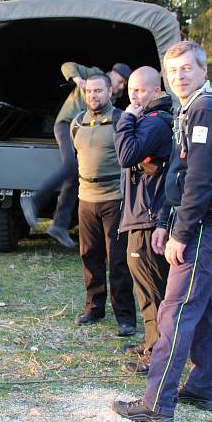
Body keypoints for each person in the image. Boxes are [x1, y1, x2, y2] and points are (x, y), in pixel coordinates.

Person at [113, 40, 212, 422]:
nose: (180, 75)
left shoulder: (206, 110)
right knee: (205, 308)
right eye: (174, 69)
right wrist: (165, 221)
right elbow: (178, 177)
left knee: (175, 309)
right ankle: (202, 387)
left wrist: (180, 232)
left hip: (201, 226)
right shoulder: (191, 109)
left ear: (203, 70)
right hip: (197, 222)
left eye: (187, 68)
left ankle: (157, 402)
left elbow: (199, 181)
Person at [21, 61, 132, 248]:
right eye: (121, 81)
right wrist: (78, 79)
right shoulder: (94, 74)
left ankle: (59, 226)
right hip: (66, 124)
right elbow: (66, 65)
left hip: (83, 129)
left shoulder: (110, 97)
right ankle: (33, 201)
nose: (121, 87)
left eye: (123, 85)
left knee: (75, 175)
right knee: (71, 167)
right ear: (112, 74)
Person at [113, 66, 174, 374]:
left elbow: (125, 154)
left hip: (149, 219)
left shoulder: (154, 123)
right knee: (145, 286)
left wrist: (126, 118)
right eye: (132, 90)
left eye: (141, 90)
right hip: (142, 216)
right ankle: (152, 342)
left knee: (152, 288)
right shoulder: (149, 121)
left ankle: (158, 356)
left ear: (157, 89)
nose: (135, 96)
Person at [71, 73, 136, 335]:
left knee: (118, 261)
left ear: (110, 92)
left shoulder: (122, 119)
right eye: (89, 91)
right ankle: (94, 308)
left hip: (115, 201)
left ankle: (125, 317)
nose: (93, 96)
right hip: (85, 199)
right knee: (90, 256)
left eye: (98, 91)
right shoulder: (77, 122)